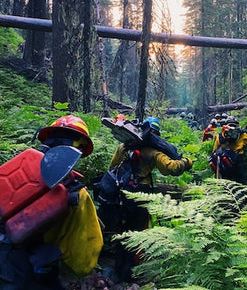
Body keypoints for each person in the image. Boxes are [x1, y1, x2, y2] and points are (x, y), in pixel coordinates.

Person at [0, 115, 103, 290]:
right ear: (80, 148)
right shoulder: (76, 193)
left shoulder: (18, 167)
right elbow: (84, 261)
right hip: (36, 270)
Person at [96, 116, 192, 282]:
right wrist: (187, 162)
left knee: (122, 232)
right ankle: (131, 273)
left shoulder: (123, 147)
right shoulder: (153, 152)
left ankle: (119, 269)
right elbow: (170, 168)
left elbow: (112, 167)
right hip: (141, 196)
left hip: (121, 194)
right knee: (138, 234)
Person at [210, 119, 247, 185]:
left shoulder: (221, 135)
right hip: (237, 158)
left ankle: (228, 193)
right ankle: (243, 193)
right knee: (242, 180)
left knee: (226, 181)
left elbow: (214, 150)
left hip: (224, 160)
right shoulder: (241, 135)